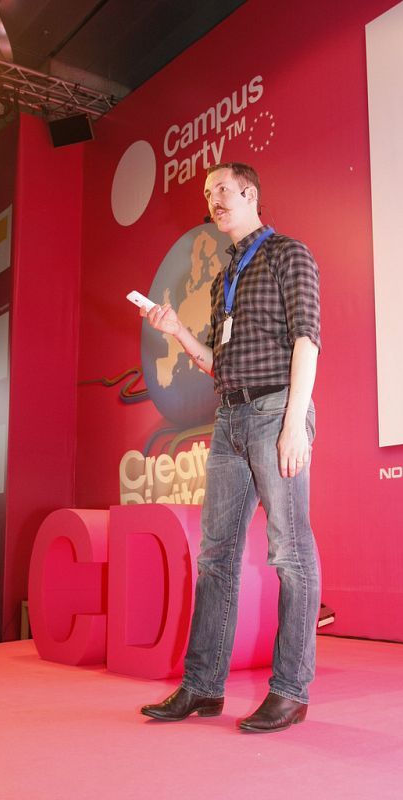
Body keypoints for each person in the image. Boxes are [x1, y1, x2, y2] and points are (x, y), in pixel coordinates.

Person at [139, 162, 321, 733]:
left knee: (291, 553)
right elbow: (218, 363)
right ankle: (202, 686)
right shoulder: (223, 278)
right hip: (229, 418)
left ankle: (290, 691)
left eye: (221, 190)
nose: (212, 201)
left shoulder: (290, 254)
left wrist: (295, 421)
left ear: (249, 193)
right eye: (207, 195)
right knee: (216, 556)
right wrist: (178, 333)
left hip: (275, 412)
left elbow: (307, 340)